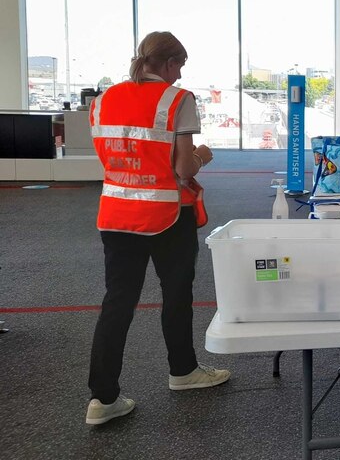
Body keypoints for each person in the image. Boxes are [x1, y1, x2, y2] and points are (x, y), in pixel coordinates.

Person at [86, 31, 230, 426]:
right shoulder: (177, 100)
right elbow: (184, 168)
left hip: (116, 216)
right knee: (176, 294)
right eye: (180, 65)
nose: (180, 74)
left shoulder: (103, 101)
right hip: (167, 215)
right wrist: (201, 155)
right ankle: (182, 371)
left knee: (117, 303)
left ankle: (102, 398)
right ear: (168, 63)